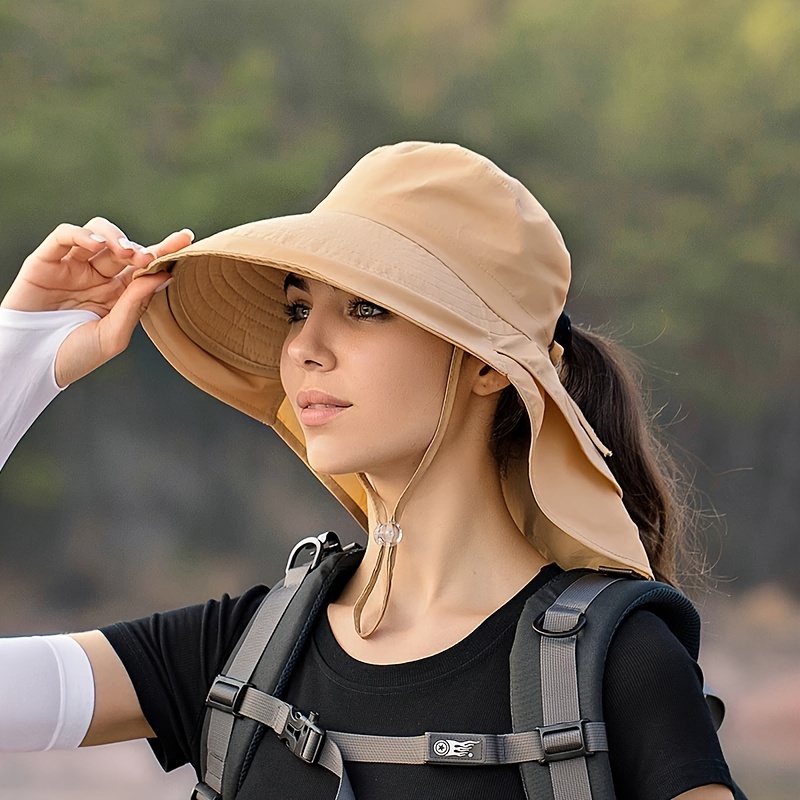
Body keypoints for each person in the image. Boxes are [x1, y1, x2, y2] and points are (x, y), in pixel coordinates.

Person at [0, 141, 737, 799]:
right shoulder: (245, 658)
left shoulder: (619, 671)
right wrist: (23, 354)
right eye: (296, 309)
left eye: (364, 308)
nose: (306, 348)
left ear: (484, 362)